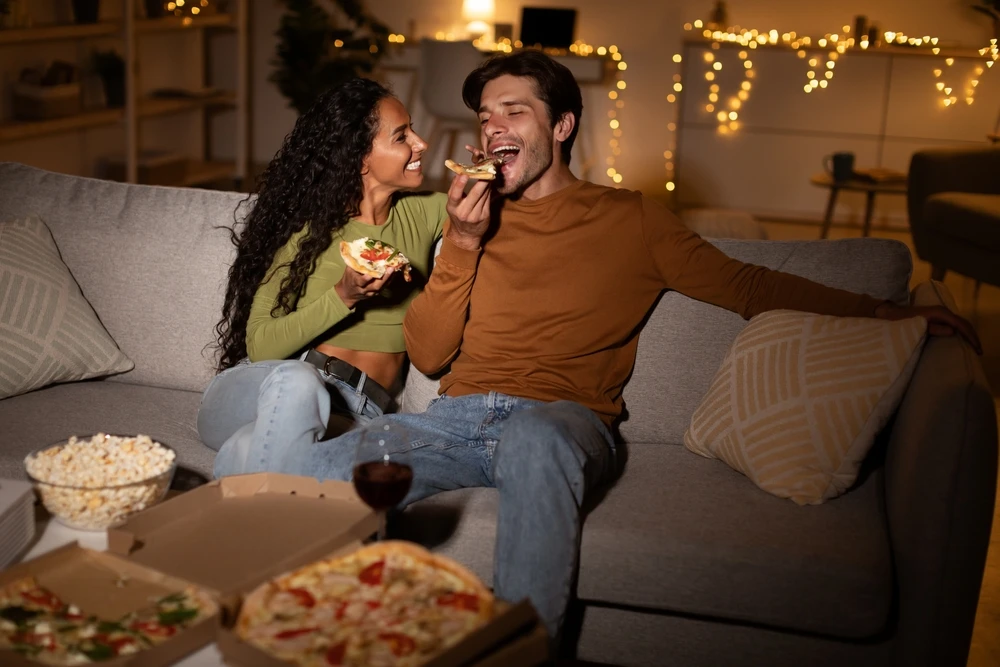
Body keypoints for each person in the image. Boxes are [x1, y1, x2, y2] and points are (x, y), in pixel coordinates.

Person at [212, 51, 981, 645]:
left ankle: (518, 650)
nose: (493, 129)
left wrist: (884, 309)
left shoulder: (632, 218)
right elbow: (432, 352)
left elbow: (747, 285)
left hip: (563, 417)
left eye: (515, 111)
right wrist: (467, 245)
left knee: (540, 438)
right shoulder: (463, 218)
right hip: (455, 418)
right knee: (300, 471)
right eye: (485, 115)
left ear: (563, 125)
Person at [198, 77, 447, 472]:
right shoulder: (306, 231)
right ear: (361, 158)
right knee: (299, 381)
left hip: (357, 412)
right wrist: (344, 296)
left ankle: (242, 503)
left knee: (253, 452)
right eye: (402, 136)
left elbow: (510, 213)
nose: (421, 143)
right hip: (265, 386)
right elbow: (261, 345)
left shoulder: (429, 212)